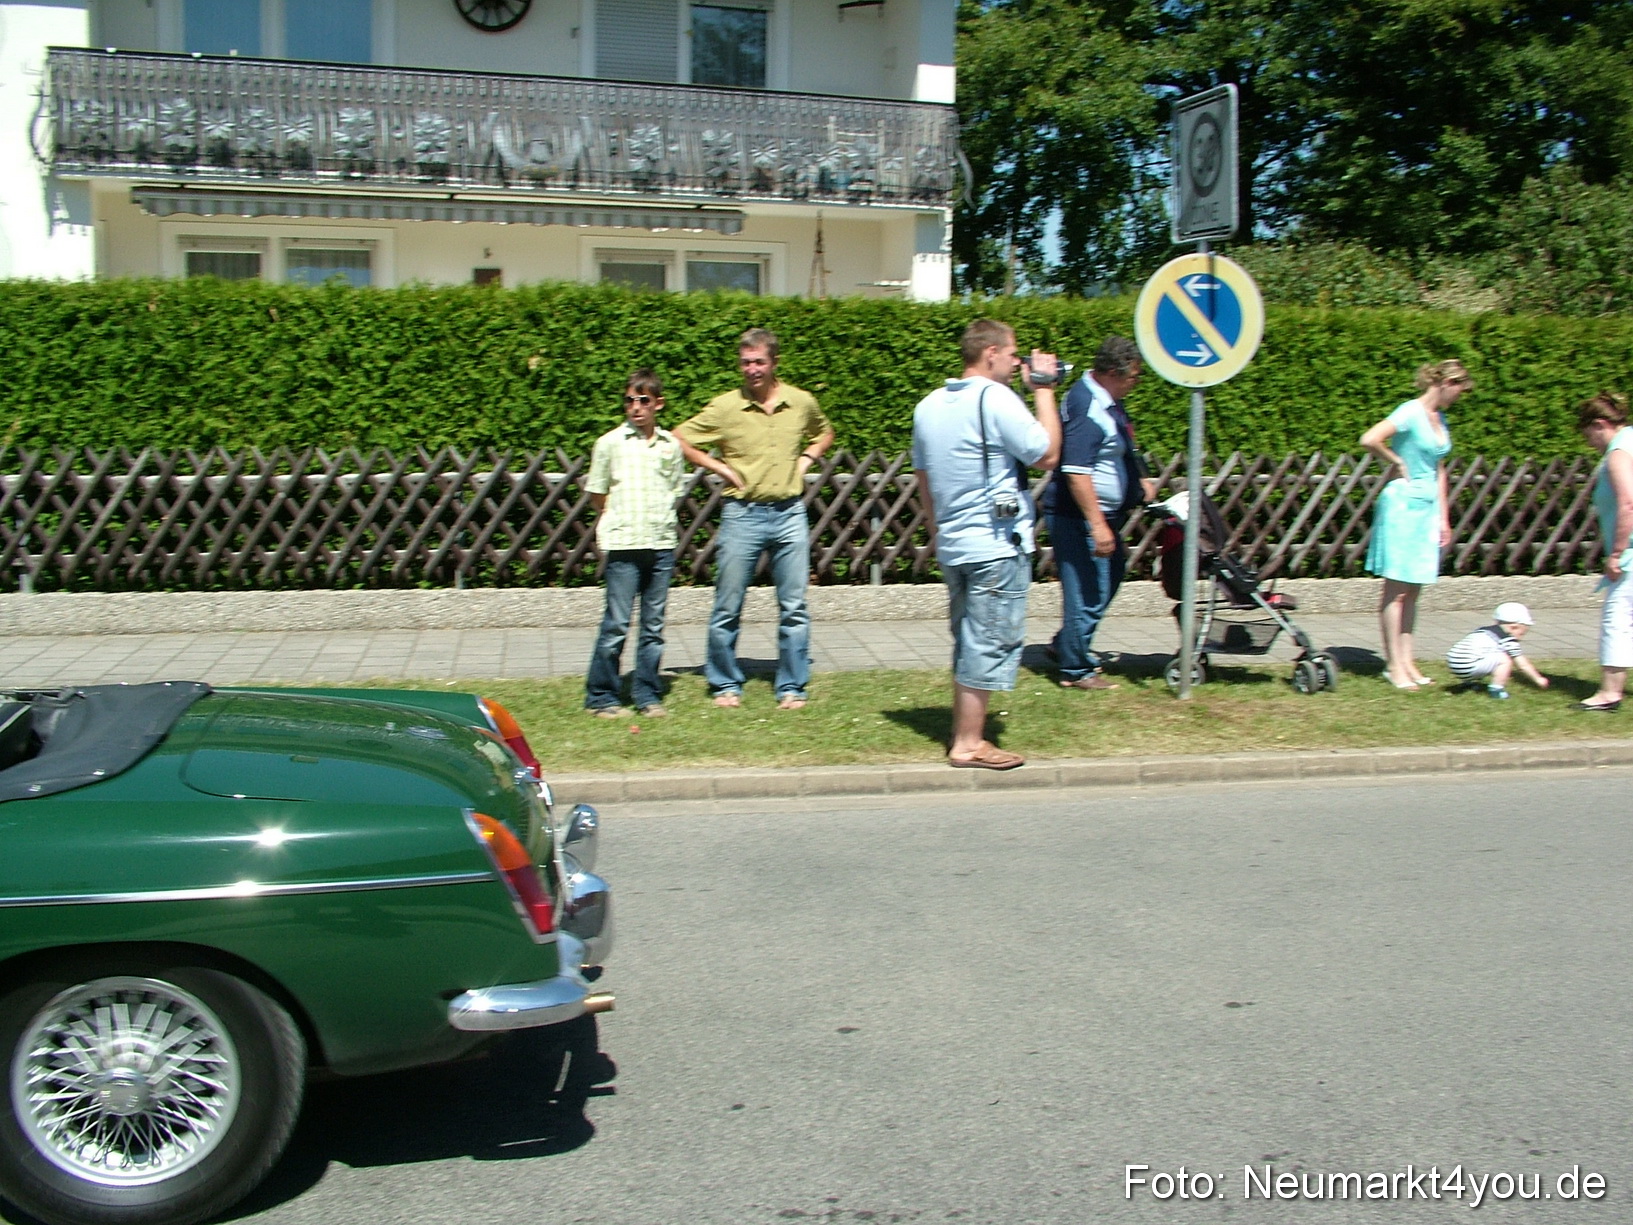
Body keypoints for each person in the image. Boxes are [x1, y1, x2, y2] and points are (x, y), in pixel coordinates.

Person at [912, 318, 1062, 770]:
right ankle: (969, 743)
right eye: (1014, 354)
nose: (1019, 364)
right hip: (995, 545)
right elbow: (1047, 454)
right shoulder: (996, 398)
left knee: (969, 639)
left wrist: (938, 533)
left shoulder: (929, 405)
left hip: (956, 544)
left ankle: (966, 732)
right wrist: (1044, 390)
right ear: (991, 352)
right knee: (989, 641)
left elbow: (924, 479)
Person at [675, 328, 834, 710]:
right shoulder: (726, 407)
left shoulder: (800, 402)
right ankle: (725, 683)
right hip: (741, 514)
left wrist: (807, 459)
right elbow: (679, 437)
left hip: (789, 513)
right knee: (727, 604)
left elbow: (824, 432)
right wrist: (717, 467)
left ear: (774, 362)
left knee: (793, 606)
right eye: (745, 362)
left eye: (759, 361)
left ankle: (792, 686)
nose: (752, 369)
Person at [1046, 336, 1156, 690]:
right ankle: (1075, 669)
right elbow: (1076, 471)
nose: (1135, 384)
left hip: (1101, 515)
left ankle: (1068, 645)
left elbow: (1118, 449)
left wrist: (1138, 482)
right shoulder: (1089, 407)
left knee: (1107, 579)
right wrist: (1097, 525)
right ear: (1112, 372)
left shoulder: (1105, 401)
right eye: (1133, 378)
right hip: (1080, 517)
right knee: (1088, 590)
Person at [1360, 359, 1473, 689]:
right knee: (1396, 590)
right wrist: (1396, 461)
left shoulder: (1441, 419)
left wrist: (1444, 517)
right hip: (1402, 506)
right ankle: (1393, 666)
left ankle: (1408, 662)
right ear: (1444, 383)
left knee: (1414, 590)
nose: (1459, 396)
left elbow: (1439, 469)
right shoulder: (1409, 411)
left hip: (1427, 509)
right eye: (1458, 389)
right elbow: (1370, 438)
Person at [583, 370, 688, 718]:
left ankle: (647, 694)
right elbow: (598, 494)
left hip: (660, 543)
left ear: (658, 404)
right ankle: (601, 696)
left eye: (644, 400)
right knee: (616, 623)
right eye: (630, 400)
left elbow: (674, 489)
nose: (636, 407)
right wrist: (617, 518)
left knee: (654, 626)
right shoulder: (609, 444)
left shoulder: (670, 446)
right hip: (624, 544)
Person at [1576, 391, 1633, 713]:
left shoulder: (1619, 452)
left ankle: (1609, 693)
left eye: (1588, 436)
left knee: (1618, 618)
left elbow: (1628, 502)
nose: (1590, 443)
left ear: (1600, 425)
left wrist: (1617, 554)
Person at [1445, 602, 1550, 699]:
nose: (1520, 638)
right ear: (1513, 627)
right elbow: (1522, 664)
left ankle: (1468, 683)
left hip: (1453, 663)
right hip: (1468, 667)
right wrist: (1538, 678)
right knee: (1505, 659)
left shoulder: (1483, 630)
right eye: (1521, 633)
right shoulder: (1507, 639)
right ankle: (1496, 689)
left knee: (1481, 654)